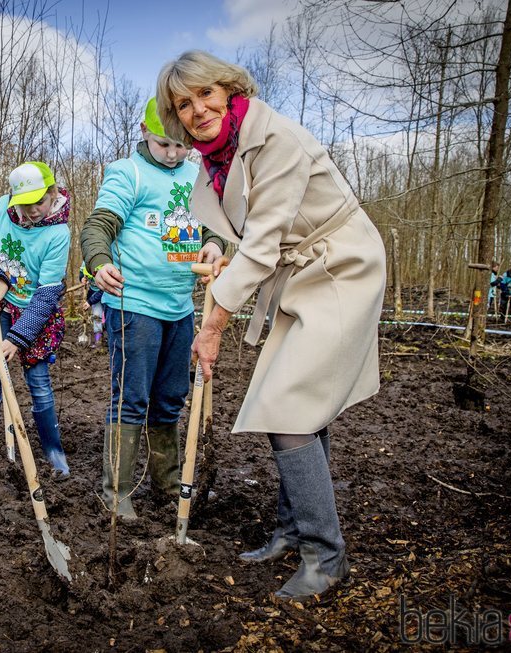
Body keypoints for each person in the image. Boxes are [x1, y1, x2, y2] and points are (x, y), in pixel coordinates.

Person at [157, 51, 386, 601]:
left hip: (339, 268)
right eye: (183, 104)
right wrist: (213, 248)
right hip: (299, 272)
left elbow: (261, 247)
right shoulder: (217, 160)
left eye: (205, 94)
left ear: (230, 89)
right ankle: (291, 529)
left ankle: (325, 558)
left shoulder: (276, 138)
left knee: (287, 408)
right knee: (298, 404)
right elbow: (240, 229)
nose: (197, 110)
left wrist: (211, 325)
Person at [81, 97, 227, 520]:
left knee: (170, 399)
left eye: (182, 145)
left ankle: (167, 482)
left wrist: (215, 246)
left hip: (179, 307)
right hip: (134, 302)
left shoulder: (196, 174)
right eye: (165, 144)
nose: (174, 153)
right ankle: (117, 492)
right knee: (131, 398)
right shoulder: (127, 173)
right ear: (144, 133)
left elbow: (212, 227)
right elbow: (98, 225)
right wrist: (100, 262)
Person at [0, 161, 72, 478]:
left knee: (38, 382)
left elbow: (47, 294)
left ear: (53, 194)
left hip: (34, 312)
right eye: (25, 204)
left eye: (39, 201)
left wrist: (17, 338)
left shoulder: (58, 233)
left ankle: (53, 449)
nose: (32, 209)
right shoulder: (1, 210)